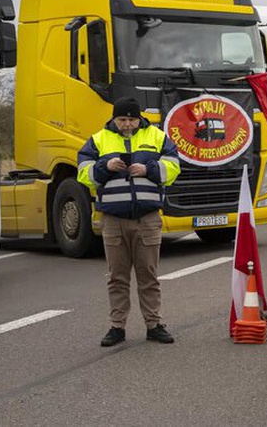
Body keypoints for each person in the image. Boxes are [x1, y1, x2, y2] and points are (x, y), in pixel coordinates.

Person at [77, 97, 182, 347]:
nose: (127, 124)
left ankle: (154, 325)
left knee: (149, 276)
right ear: (114, 118)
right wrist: (105, 166)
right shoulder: (98, 140)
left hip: (147, 218)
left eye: (131, 119)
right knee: (117, 277)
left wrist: (149, 170)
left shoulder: (157, 136)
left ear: (139, 118)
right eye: (122, 119)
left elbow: (174, 167)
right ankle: (117, 327)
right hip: (113, 220)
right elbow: (83, 173)